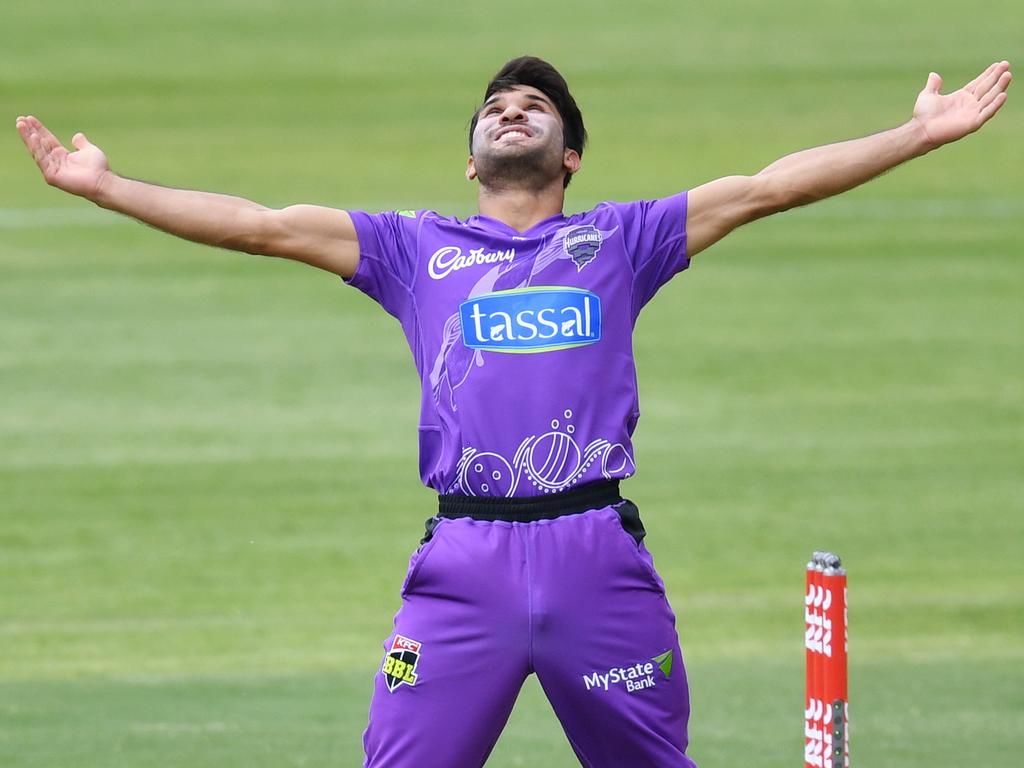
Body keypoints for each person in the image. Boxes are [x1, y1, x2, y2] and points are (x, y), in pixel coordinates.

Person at [16, 55, 1011, 767]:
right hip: (462, 573)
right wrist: (107, 188)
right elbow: (263, 227)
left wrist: (917, 133)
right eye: (496, 105)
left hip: (596, 560)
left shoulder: (624, 241)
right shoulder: (412, 249)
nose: (512, 108)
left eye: (535, 104)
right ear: (471, 158)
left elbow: (765, 189)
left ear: (569, 154)